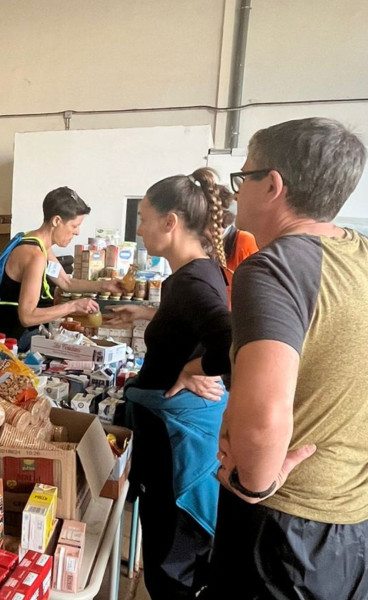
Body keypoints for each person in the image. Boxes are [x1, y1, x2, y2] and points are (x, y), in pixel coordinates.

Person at [208, 118, 368, 599]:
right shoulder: (367, 257)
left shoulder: (274, 268)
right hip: (355, 520)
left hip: (285, 524)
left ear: (273, 185)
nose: (236, 194)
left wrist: (254, 482)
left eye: (243, 179)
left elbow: (263, 418)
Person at [107, 168, 232, 599]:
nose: (138, 229)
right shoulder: (196, 272)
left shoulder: (191, 281)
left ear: (170, 222)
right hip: (173, 436)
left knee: (170, 569)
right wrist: (145, 315)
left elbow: (231, 337)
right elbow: (192, 328)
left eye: (143, 218)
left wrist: (196, 370)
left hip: (178, 446)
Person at [0, 187, 108, 349]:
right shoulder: (34, 255)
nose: (77, 232)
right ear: (57, 221)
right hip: (0, 343)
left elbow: (66, 282)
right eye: (74, 226)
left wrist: (104, 286)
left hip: (12, 337)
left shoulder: (40, 245)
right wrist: (73, 306)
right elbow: (27, 317)